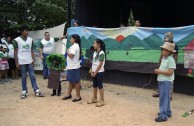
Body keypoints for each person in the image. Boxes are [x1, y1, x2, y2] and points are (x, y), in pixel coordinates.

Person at [13, 25, 44, 99]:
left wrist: (33, 59)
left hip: (29, 61)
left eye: (27, 30)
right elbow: (15, 52)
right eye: (25, 30)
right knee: (23, 77)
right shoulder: (16, 40)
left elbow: (32, 51)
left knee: (32, 76)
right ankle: (24, 91)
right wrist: (17, 62)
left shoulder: (30, 40)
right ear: (21, 32)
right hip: (22, 61)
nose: (27, 32)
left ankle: (36, 90)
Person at [152, 32, 178, 100]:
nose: (165, 37)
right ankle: (159, 92)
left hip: (169, 65)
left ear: (171, 37)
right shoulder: (164, 44)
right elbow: (162, 54)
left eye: (167, 36)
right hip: (163, 63)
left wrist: (172, 64)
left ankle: (169, 95)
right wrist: (159, 63)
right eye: (165, 36)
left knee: (170, 80)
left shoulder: (174, 45)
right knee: (160, 77)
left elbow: (175, 56)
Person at [154, 42, 176, 122]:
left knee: (163, 98)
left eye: (163, 49)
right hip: (162, 81)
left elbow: (170, 72)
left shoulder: (171, 60)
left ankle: (163, 116)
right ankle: (167, 112)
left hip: (165, 82)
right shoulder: (165, 58)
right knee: (165, 98)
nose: (162, 51)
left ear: (168, 51)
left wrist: (159, 71)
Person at [62, 34, 82, 102]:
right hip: (72, 67)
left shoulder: (74, 46)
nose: (70, 40)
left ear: (74, 39)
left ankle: (78, 96)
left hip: (74, 67)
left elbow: (71, 55)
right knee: (71, 81)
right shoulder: (76, 46)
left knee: (76, 82)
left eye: (71, 38)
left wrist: (67, 51)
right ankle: (69, 94)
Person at [87, 39, 106, 107]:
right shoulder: (95, 52)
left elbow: (100, 64)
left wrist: (95, 72)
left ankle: (102, 100)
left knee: (100, 86)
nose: (93, 45)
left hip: (99, 72)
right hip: (94, 71)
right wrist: (92, 71)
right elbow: (93, 62)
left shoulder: (102, 53)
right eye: (93, 43)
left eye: (94, 43)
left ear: (98, 44)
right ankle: (94, 98)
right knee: (94, 85)